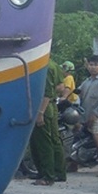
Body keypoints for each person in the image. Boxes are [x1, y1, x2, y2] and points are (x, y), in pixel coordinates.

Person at [30, 58, 66, 186]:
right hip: (50, 107)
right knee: (54, 140)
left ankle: (48, 175)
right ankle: (58, 173)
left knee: (43, 143)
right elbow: (61, 86)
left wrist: (40, 113)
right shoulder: (53, 64)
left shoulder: (43, 66)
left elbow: (46, 92)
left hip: (42, 108)